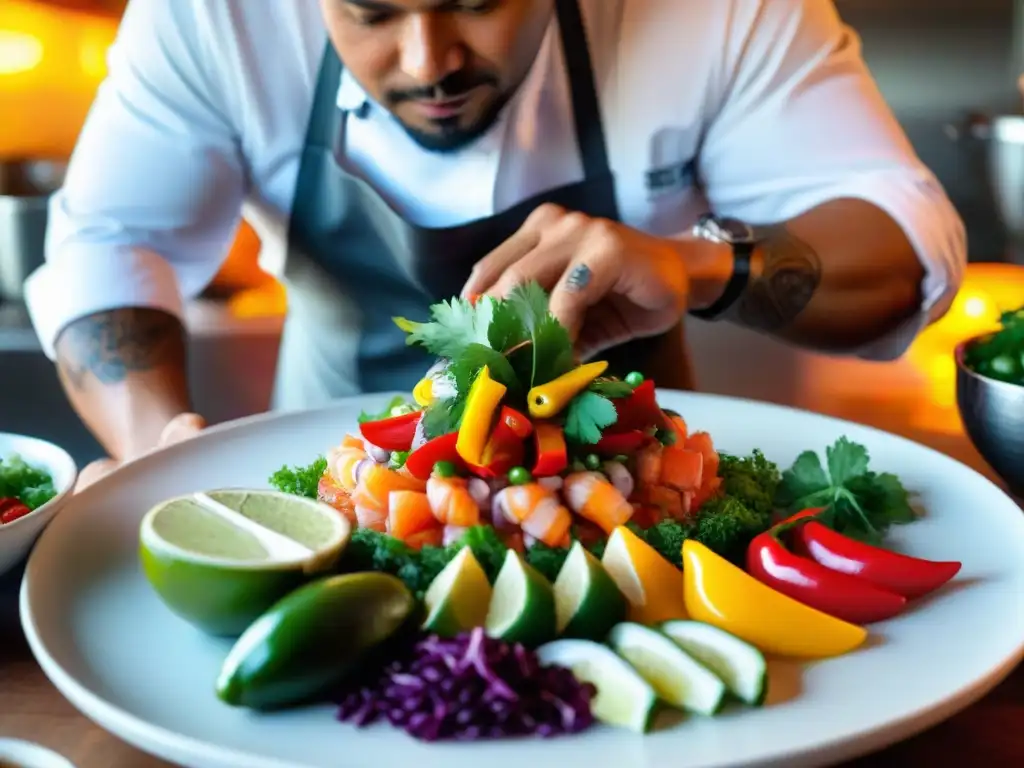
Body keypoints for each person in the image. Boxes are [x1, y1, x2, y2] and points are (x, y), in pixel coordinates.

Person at [25, 0, 965, 488]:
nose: (429, 58)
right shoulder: (208, 17)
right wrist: (160, 445)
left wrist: (695, 263)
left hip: (632, 506)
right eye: (371, 11)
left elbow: (903, 243)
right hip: (331, 498)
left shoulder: (716, 11)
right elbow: (112, 240)